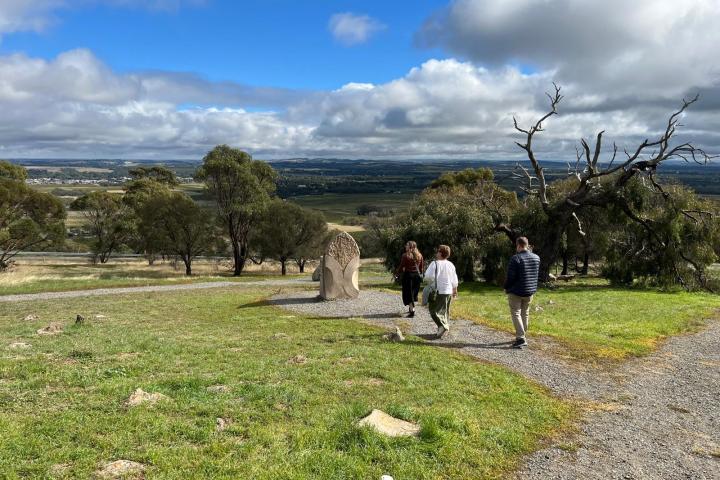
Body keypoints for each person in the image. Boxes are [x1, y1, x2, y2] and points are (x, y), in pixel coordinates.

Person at [504, 236, 541, 348]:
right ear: (527, 244)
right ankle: (523, 334)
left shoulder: (516, 258)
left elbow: (511, 277)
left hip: (516, 291)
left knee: (516, 313)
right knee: (525, 313)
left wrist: (506, 287)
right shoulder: (536, 258)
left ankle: (520, 338)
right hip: (530, 291)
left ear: (518, 245)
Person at [423, 245, 458, 338]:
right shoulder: (451, 264)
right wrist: (455, 290)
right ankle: (441, 328)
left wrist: (429, 283)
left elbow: (427, 277)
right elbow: (454, 279)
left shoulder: (434, 263)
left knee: (433, 311)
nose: (436, 253)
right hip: (448, 291)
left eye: (438, 251)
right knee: (445, 311)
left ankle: (443, 326)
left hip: (438, 291)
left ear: (441, 253)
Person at [395, 241, 424, 317]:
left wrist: (397, 274)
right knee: (413, 294)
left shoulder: (405, 256)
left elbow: (401, 266)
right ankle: (411, 309)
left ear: (410, 247)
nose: (405, 246)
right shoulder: (420, 255)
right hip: (416, 277)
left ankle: (412, 311)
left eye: (407, 245)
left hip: (408, 276)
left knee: (408, 294)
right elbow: (421, 268)